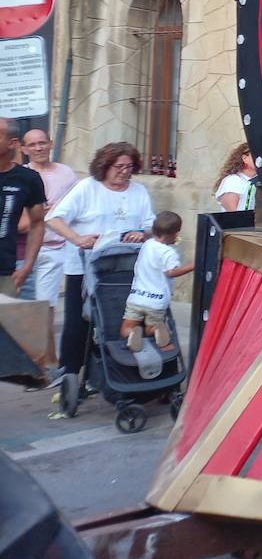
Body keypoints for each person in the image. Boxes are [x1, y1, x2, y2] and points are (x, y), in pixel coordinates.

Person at [46, 142, 156, 394]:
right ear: (104, 166)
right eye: (119, 166)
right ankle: (71, 372)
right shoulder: (87, 188)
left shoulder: (138, 191)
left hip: (124, 266)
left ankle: (118, 368)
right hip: (85, 266)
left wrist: (142, 233)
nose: (124, 172)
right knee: (79, 320)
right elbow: (53, 218)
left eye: (129, 167)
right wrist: (77, 239)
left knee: (120, 319)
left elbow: (150, 224)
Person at [16, 129, 78, 378]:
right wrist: (38, 214)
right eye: (33, 144)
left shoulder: (66, 173)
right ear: (24, 149)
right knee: (38, 308)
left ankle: (58, 360)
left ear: (51, 144)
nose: (39, 148)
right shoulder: (22, 177)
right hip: (35, 249)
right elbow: (18, 223)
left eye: (43, 142)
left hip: (65, 247)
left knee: (58, 306)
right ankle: (45, 360)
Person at [122, 211, 192, 352]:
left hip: (136, 298)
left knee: (126, 327)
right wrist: (193, 265)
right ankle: (156, 331)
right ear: (176, 234)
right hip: (156, 301)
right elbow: (171, 272)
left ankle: (132, 333)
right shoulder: (168, 253)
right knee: (150, 328)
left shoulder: (147, 245)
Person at [0, 118, 47, 300]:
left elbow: (37, 224)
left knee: (8, 326)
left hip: (6, 270)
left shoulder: (28, 179)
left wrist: (27, 266)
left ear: (12, 143)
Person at [214, 142, 258, 212]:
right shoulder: (232, 181)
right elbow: (235, 213)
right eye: (255, 154)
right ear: (244, 158)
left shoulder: (261, 180)